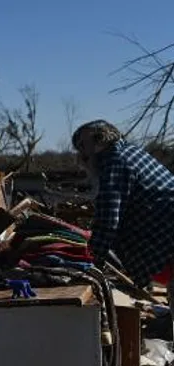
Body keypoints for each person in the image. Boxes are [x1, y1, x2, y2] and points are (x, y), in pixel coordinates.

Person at [72, 120, 174, 302]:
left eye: (82, 146)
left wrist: (87, 263)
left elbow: (108, 220)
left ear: (99, 142)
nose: (81, 155)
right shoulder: (130, 152)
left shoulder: (114, 161)